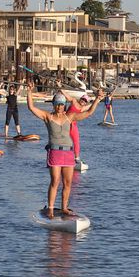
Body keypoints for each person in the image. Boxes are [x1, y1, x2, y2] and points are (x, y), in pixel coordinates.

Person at [26, 80, 104, 219]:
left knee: (68, 183)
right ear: (54, 105)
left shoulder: (70, 116)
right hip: (55, 153)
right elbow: (31, 107)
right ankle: (50, 208)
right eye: (57, 104)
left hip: (68, 153)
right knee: (55, 181)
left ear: (64, 105)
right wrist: (29, 91)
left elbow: (89, 113)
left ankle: (64, 208)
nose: (60, 107)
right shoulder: (47, 116)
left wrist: (97, 99)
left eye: (62, 104)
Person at [61, 91, 90, 162]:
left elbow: (92, 106)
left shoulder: (82, 108)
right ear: (80, 99)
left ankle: (76, 158)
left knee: (76, 142)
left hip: (73, 126)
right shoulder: (74, 101)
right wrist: (61, 89)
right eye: (83, 99)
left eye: (85, 101)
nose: (83, 101)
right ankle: (61, 156)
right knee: (63, 141)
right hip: (65, 124)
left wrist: (98, 99)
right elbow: (67, 96)